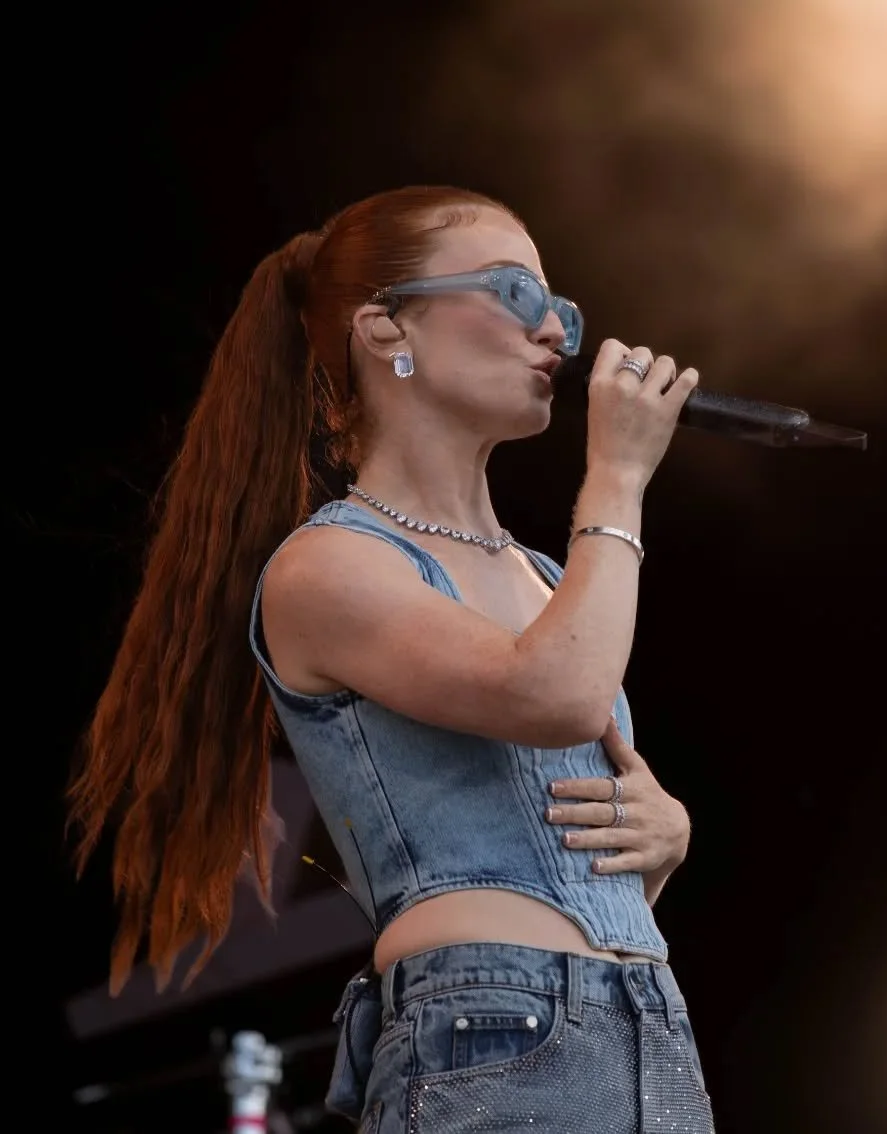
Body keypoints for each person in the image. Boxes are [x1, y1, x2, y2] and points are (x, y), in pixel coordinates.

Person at [66, 185, 715, 1131]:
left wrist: (663, 840)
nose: (558, 337)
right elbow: (555, 693)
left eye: (561, 310)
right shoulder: (328, 567)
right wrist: (616, 477)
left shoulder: (549, 573)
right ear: (384, 327)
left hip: (645, 1029)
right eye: (515, 293)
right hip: (496, 1030)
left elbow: (562, 831)